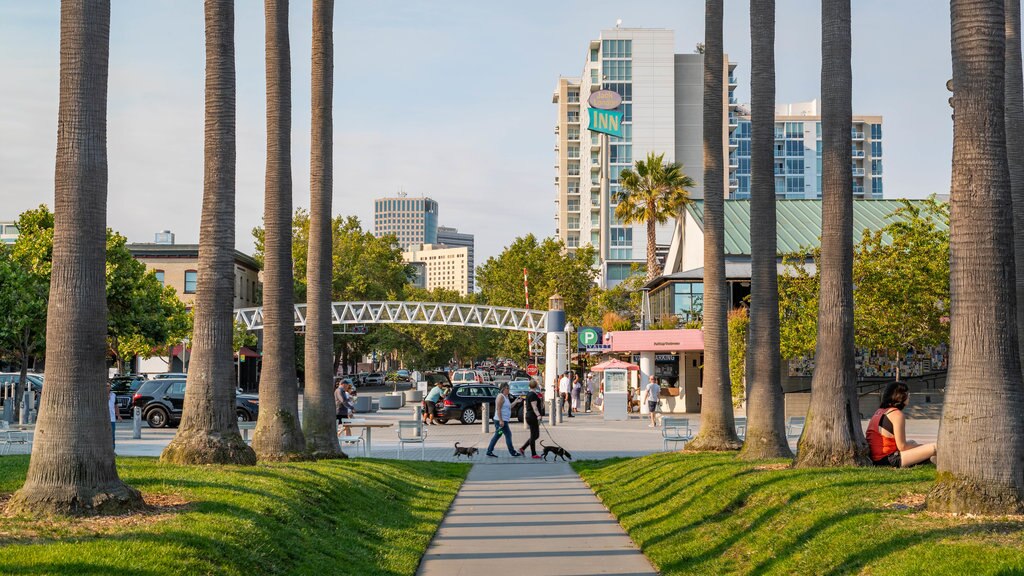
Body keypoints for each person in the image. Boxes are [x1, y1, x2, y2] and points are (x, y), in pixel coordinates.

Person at [866, 381, 937, 468]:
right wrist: (923, 447)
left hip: (877, 458)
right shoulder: (897, 414)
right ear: (899, 396)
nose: (909, 396)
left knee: (912, 442)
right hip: (889, 460)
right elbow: (902, 447)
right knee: (934, 447)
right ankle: (931, 459)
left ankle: (928, 459)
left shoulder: (880, 411)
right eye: (907, 393)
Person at [486, 383, 522, 457]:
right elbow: (498, 409)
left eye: (509, 388)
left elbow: (509, 407)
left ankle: (489, 451)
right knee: (508, 434)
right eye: (507, 388)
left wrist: (516, 401)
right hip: (501, 421)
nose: (509, 390)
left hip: (503, 420)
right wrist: (501, 420)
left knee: (497, 435)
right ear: (503, 389)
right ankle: (512, 452)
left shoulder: (506, 397)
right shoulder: (500, 397)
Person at [518, 380, 543, 459]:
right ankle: (533, 454)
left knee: (536, 435)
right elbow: (534, 407)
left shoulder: (530, 394)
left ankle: (522, 448)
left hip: (530, 416)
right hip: (532, 416)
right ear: (536, 386)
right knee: (533, 435)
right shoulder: (532, 395)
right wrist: (538, 415)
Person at [107, 382, 121, 449]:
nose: (107, 387)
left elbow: (116, 406)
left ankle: (112, 450)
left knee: (112, 435)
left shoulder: (114, 395)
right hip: (103, 419)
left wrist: (118, 415)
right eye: (106, 386)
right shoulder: (100, 395)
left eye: (108, 386)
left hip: (112, 418)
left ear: (110, 387)